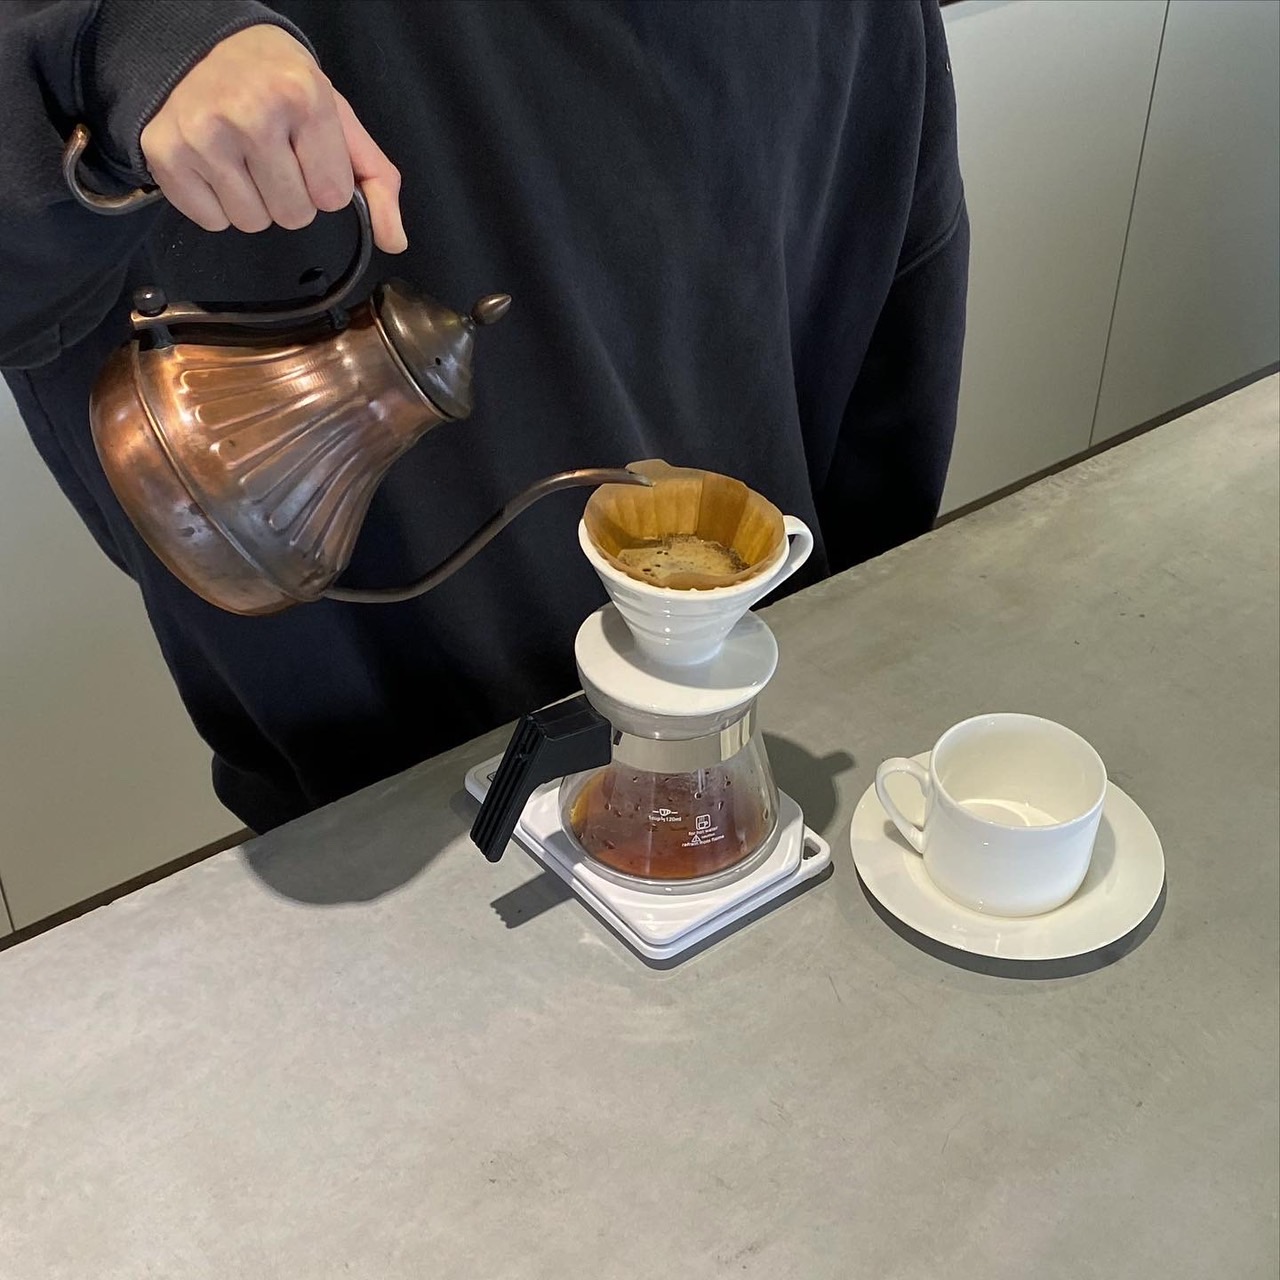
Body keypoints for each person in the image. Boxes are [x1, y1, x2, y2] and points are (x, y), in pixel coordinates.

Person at [0, 0, 968, 834]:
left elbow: (890, 314)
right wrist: (127, 41)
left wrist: (847, 648)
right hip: (380, 798)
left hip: (760, 748)